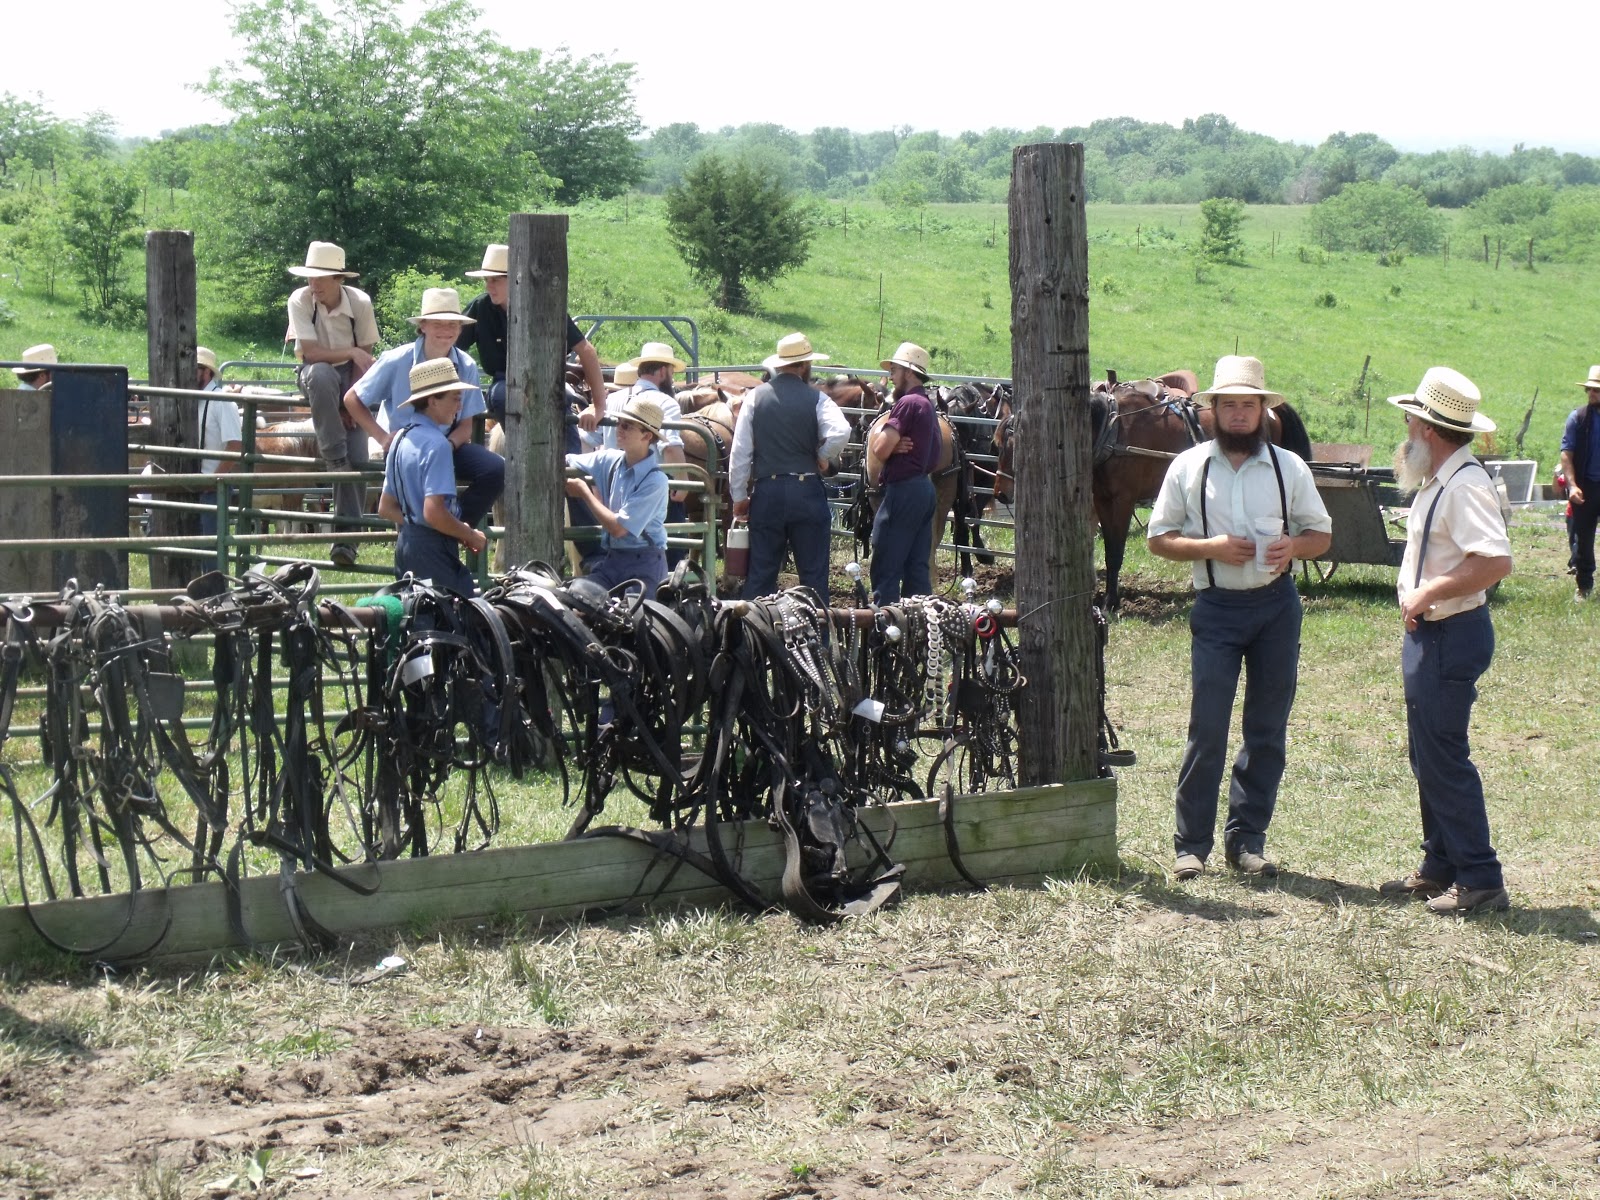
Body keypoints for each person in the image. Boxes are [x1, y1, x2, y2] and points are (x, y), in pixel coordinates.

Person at [1147, 355, 1333, 880]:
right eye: (1228, 405)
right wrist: (1211, 547)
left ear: (1262, 411)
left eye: (1247, 405)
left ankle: (1247, 841)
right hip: (1217, 609)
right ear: (1213, 410)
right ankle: (1191, 846)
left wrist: (1294, 546)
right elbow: (1158, 539)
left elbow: (1322, 536)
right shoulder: (1188, 467)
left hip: (1276, 608)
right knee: (1207, 728)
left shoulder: (1288, 467)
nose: (1238, 415)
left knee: (1266, 730)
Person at [1381, 367, 1513, 915]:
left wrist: (1430, 589)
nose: (1407, 426)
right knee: (1428, 754)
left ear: (1430, 429)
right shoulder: (1445, 479)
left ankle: (1480, 877)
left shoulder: (1464, 486)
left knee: (1443, 758)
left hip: (1449, 635)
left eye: (1411, 418)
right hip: (1436, 634)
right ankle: (1441, 863)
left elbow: (1496, 561)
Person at [344, 288, 504, 565]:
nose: (446, 330)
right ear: (423, 326)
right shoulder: (396, 360)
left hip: (445, 445)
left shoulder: (465, 363)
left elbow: (466, 424)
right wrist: (383, 438)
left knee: (495, 469)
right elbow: (352, 398)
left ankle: (450, 528)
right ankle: (437, 535)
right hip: (409, 448)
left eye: (453, 323)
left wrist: (447, 445)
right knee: (407, 503)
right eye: (438, 323)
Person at [729, 332, 852, 600]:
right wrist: (823, 455)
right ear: (806, 365)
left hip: (767, 491)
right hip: (807, 491)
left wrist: (739, 497)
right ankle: (817, 638)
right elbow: (841, 431)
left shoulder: (754, 398)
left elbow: (740, 453)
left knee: (761, 574)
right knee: (813, 577)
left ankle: (754, 638)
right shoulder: (817, 399)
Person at [285, 241, 380, 567]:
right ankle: (333, 456)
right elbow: (310, 353)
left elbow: (364, 360)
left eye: (321, 278)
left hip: (352, 379)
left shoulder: (360, 303)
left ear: (339, 278)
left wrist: (348, 403)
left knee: (357, 457)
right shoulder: (299, 299)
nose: (314, 285)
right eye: (311, 277)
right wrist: (351, 352)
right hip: (316, 373)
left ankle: (346, 540)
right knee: (322, 374)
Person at [455, 242, 607, 437]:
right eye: (486, 280)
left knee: (569, 454)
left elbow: (586, 350)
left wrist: (598, 406)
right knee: (506, 397)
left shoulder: (545, 306)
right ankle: (526, 450)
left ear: (515, 280)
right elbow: (452, 347)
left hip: (549, 387)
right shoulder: (481, 307)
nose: (488, 286)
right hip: (504, 384)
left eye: (495, 280)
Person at [377, 358, 487, 596]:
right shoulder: (437, 445)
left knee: (415, 619)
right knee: (453, 624)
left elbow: (385, 507)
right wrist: (468, 534)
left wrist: (420, 527)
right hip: (435, 551)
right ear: (432, 401)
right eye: (455, 398)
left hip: (406, 546)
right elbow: (434, 512)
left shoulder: (399, 439)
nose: (459, 406)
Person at [581, 342, 691, 565]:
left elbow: (587, 440)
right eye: (671, 372)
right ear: (663, 371)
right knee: (673, 549)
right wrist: (683, 481)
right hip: (649, 487)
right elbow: (669, 446)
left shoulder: (613, 400)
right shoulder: (665, 403)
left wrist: (594, 482)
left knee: (614, 550)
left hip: (614, 488)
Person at [564, 394, 670, 593]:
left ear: (647, 436)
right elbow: (568, 460)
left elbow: (619, 529)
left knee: (635, 616)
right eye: (619, 423)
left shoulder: (656, 481)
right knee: (576, 598)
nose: (619, 429)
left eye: (627, 426)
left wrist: (585, 493)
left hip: (644, 565)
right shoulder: (609, 459)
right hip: (613, 560)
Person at [867, 341, 941, 603]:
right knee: (916, 568)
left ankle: (884, 634)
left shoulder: (908, 403)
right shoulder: (927, 404)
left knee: (886, 564)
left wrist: (890, 446)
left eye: (895, 369)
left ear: (909, 372)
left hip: (904, 490)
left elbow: (879, 448)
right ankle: (919, 633)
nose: (891, 375)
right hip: (924, 489)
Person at [1558, 365, 1600, 599]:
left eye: (1596, 390)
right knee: (1582, 540)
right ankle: (1584, 586)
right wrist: (1572, 485)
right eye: (1589, 389)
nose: (1591, 394)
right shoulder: (1578, 418)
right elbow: (1567, 453)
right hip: (1586, 487)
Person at [195, 346, 243, 537]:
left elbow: (235, 446)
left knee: (211, 547)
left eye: (195, 367)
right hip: (196, 486)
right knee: (200, 547)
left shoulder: (222, 401)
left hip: (212, 488)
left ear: (207, 372)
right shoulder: (197, 399)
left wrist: (212, 481)